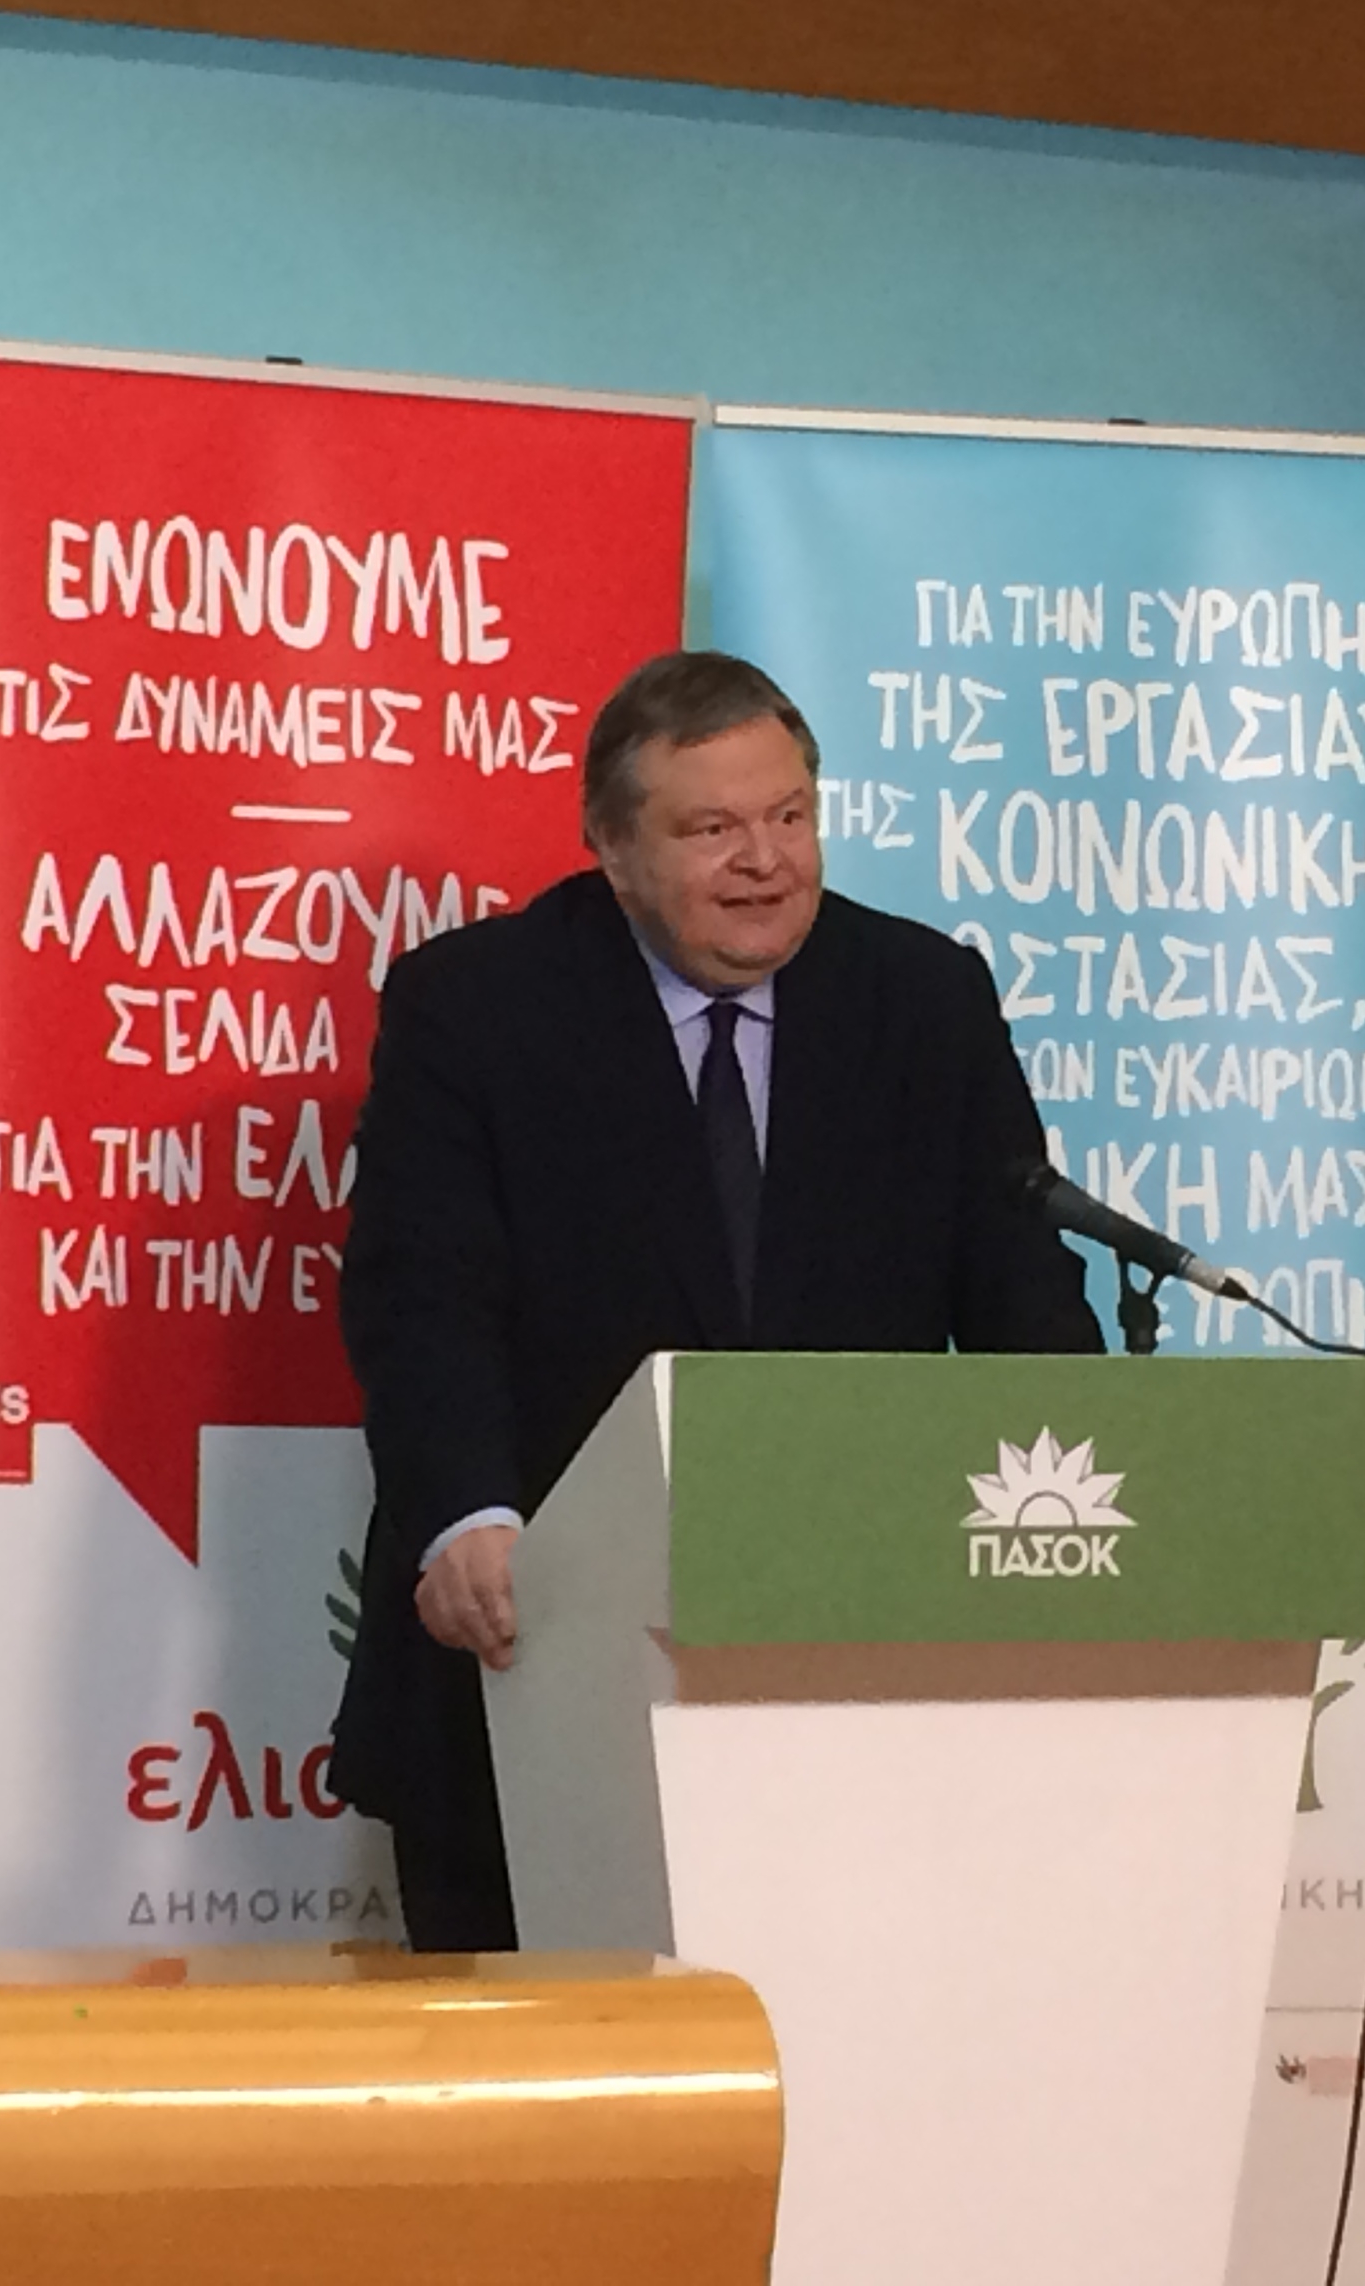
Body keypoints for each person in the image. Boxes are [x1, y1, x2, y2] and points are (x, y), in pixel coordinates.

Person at [328, 649, 1102, 1949]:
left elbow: (1022, 1289)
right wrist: (466, 1511)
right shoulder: (479, 1006)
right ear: (613, 848)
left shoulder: (922, 999)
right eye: (712, 830)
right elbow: (424, 1295)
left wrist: (1092, 1497)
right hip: (543, 1662)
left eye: (790, 816)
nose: (766, 861)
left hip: (857, 1673)